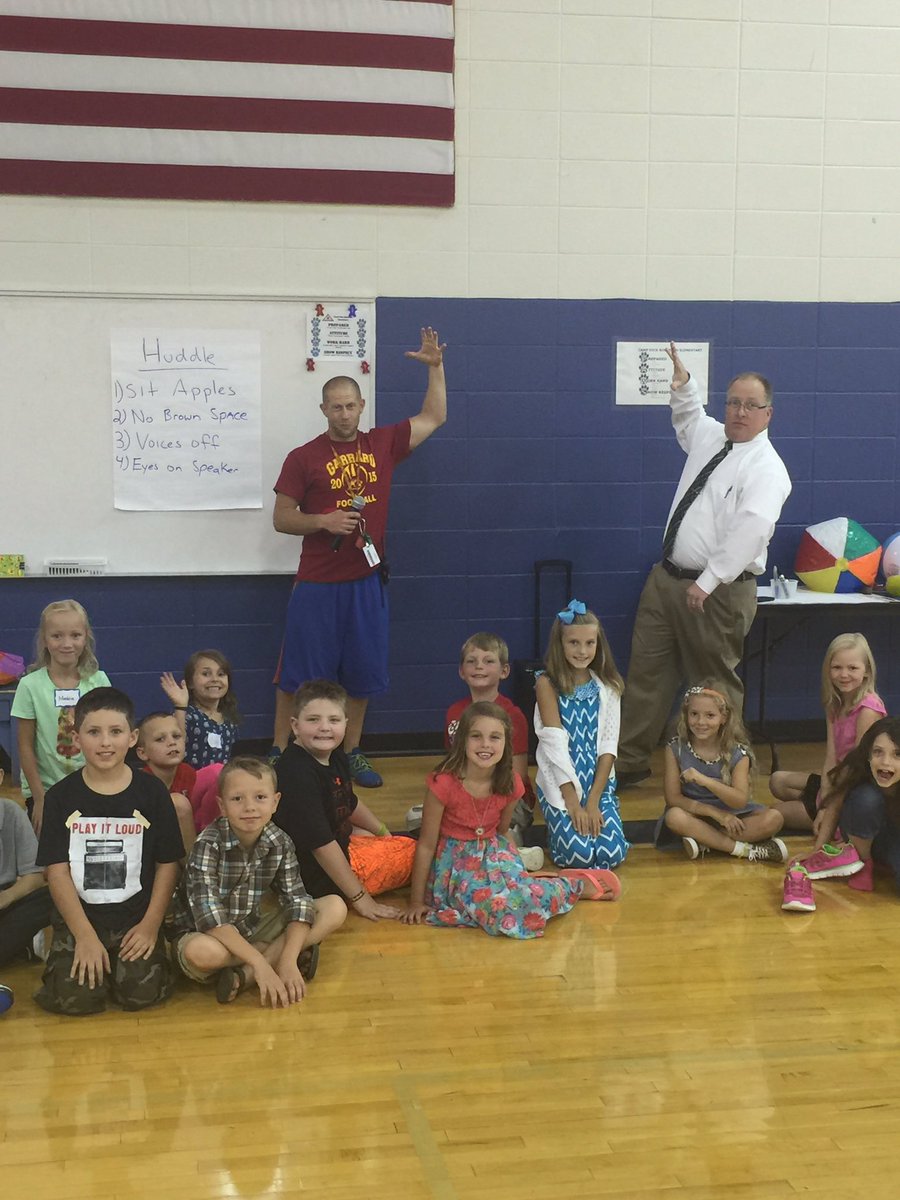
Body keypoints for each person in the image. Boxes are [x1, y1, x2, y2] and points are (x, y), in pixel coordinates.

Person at [270, 326, 448, 788]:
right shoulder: (302, 457)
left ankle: (351, 754)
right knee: (298, 676)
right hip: (316, 583)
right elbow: (282, 518)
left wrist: (436, 368)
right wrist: (322, 521)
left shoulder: (382, 444)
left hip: (366, 582)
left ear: (361, 407)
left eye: (351, 405)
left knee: (363, 673)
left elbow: (435, 416)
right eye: (336, 406)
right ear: (324, 409)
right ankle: (279, 752)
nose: (344, 413)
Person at [616, 343, 792, 787]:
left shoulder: (767, 468)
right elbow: (691, 421)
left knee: (714, 683)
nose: (740, 411)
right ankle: (630, 761)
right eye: (733, 402)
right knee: (645, 675)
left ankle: (733, 772)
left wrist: (710, 581)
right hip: (667, 579)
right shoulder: (714, 437)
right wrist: (684, 386)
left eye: (751, 405)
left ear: (768, 414)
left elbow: (751, 529)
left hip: (717, 591)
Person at [402, 702, 619, 937]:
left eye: (495, 737)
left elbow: (502, 831)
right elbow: (426, 845)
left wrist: (517, 873)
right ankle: (554, 885)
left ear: (506, 744)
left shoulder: (510, 783)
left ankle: (568, 884)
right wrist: (415, 902)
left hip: (494, 854)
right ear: (462, 740)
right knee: (503, 909)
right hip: (457, 866)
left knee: (522, 895)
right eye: (476, 736)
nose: (485, 744)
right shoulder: (442, 783)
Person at [34, 687, 184, 1016]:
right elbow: (56, 872)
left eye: (115, 732)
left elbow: (167, 864)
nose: (105, 742)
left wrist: (150, 925)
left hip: (135, 918)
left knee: (139, 996)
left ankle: (145, 960)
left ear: (132, 738)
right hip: (81, 919)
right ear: (76, 739)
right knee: (75, 1000)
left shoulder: (152, 793)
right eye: (93, 732)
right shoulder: (60, 797)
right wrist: (84, 936)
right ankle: (61, 952)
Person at [168, 756, 346, 1005]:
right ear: (222, 805)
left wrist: (288, 961)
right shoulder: (208, 844)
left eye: (260, 798)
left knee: (334, 907)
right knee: (201, 953)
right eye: (237, 799)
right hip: (208, 934)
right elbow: (211, 919)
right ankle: (264, 957)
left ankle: (250, 973)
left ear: (275, 802)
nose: (249, 807)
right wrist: (261, 961)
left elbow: (297, 900)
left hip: (251, 925)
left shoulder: (280, 841)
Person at [274, 680, 414, 922]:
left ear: (346, 725)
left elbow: (348, 800)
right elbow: (321, 846)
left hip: (332, 847)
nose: (325, 728)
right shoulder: (296, 773)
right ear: (295, 726)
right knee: (416, 852)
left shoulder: (334, 755)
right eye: (314, 720)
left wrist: (383, 831)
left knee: (375, 837)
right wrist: (361, 899)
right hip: (310, 875)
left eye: (334, 720)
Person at [429, 632, 540, 868]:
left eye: (488, 661)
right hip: (467, 793)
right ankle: (480, 850)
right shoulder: (454, 713)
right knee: (419, 817)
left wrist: (481, 801)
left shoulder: (513, 716)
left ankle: (513, 851)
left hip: (506, 796)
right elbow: (452, 766)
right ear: (461, 671)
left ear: (504, 671)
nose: (479, 666)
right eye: (471, 661)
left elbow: (517, 776)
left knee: (496, 827)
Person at [534, 601, 629, 870]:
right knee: (579, 856)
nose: (582, 651)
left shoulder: (609, 687)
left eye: (590, 643)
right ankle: (557, 837)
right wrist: (574, 803)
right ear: (560, 644)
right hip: (562, 778)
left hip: (596, 781)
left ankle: (605, 813)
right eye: (574, 643)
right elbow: (554, 747)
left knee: (611, 855)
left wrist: (594, 801)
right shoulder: (547, 683)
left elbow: (609, 747)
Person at [12, 599, 111, 833]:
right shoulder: (30, 686)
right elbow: (24, 746)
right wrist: (40, 798)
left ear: (85, 637)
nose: (67, 644)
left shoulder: (99, 681)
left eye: (75, 635)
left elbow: (109, 737)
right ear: (45, 639)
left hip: (93, 786)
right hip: (46, 791)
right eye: (57, 636)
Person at [659, 684, 787, 863]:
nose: (701, 722)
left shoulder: (739, 753)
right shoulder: (675, 748)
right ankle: (742, 849)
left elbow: (739, 800)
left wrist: (705, 780)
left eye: (710, 715)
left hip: (733, 816)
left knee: (774, 818)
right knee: (674, 816)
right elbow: (673, 798)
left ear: (723, 718)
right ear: (686, 715)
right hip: (695, 813)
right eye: (694, 714)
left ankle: (706, 840)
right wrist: (715, 813)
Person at [769, 633, 884, 831]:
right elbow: (831, 756)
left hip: (853, 787)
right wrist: (824, 792)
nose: (844, 674)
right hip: (837, 779)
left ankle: (834, 819)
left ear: (866, 671)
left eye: (852, 668)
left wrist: (828, 805)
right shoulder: (834, 704)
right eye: (837, 667)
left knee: (773, 814)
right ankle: (813, 808)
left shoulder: (868, 710)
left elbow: (856, 768)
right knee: (777, 781)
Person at [794, 717, 900, 902]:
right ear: (867, 754)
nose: (886, 762)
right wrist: (817, 850)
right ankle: (863, 863)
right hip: (860, 830)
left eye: (897, 754)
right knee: (867, 798)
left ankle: (885, 862)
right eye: (878, 752)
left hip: (891, 836)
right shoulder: (857, 767)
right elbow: (834, 807)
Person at [135, 711, 224, 847]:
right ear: (142, 753)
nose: (171, 743)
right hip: (151, 841)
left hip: (183, 835)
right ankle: (192, 865)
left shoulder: (186, 772)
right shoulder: (141, 782)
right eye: (160, 739)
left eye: (176, 736)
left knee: (219, 774)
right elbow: (137, 819)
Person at [0, 767, 53, 968]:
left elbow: (36, 875)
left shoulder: (11, 813)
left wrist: (6, 897)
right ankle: (17, 947)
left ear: (0, 777)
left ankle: (15, 944)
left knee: (54, 894)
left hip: (7, 901)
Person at [160, 649, 240, 770]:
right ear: (190, 683)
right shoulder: (188, 714)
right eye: (206, 674)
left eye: (221, 674)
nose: (215, 679)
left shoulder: (228, 719)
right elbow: (177, 740)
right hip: (191, 781)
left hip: (219, 782)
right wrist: (180, 706)